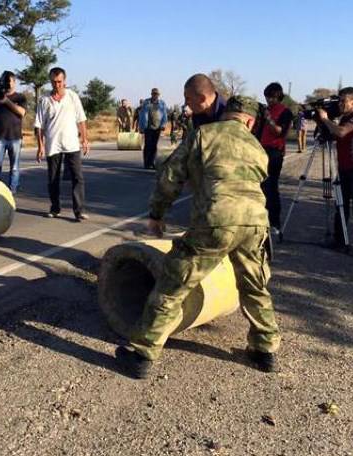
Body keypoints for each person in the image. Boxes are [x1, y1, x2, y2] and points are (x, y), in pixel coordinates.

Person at [115, 94, 281, 379]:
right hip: (256, 224)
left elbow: (170, 175)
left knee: (172, 284)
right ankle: (265, 351)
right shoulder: (257, 146)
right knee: (254, 286)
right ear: (250, 121)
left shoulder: (204, 134)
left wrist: (157, 214)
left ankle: (142, 354)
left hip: (216, 222)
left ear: (225, 114)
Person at [316, 87, 353, 257]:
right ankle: (339, 239)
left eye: (344, 101)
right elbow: (333, 135)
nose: (340, 104)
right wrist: (320, 121)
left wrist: (325, 119)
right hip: (344, 167)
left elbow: (341, 132)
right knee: (341, 204)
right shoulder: (343, 118)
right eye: (339, 100)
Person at [34, 67, 90, 221]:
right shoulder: (45, 100)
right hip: (53, 144)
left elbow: (81, 119)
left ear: (64, 81)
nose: (56, 85)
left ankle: (79, 211)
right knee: (53, 178)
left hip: (72, 143)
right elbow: (39, 126)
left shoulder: (72, 97)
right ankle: (55, 208)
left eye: (59, 81)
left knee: (77, 177)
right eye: (53, 82)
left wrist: (84, 139)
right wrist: (40, 146)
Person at [257, 82, 293, 235]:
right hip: (261, 150)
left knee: (271, 187)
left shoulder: (285, 112)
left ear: (278, 96)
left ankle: (274, 223)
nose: (269, 101)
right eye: (267, 98)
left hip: (275, 152)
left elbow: (280, 131)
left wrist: (269, 119)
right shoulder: (266, 110)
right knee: (259, 187)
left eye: (271, 98)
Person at [0, 70, 27, 194]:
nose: (7, 84)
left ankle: (12, 190)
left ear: (14, 82)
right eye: (5, 81)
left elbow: (21, 112)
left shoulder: (20, 97)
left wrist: (6, 101)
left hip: (15, 137)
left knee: (14, 167)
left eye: (9, 81)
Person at [139, 88, 167, 169]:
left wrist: (163, 124)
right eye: (154, 94)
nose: (155, 95)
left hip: (157, 127)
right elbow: (142, 115)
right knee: (148, 145)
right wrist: (141, 127)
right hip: (147, 127)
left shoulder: (162, 103)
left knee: (154, 146)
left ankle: (152, 162)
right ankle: (147, 163)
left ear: (158, 95)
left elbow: (164, 115)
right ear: (151, 94)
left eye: (156, 94)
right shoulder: (146, 102)